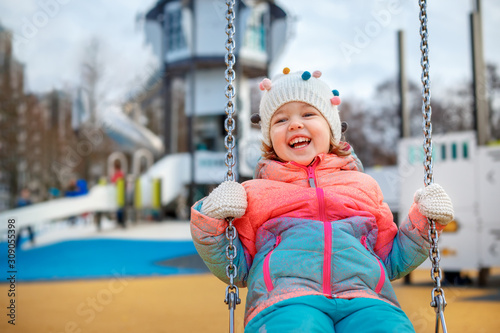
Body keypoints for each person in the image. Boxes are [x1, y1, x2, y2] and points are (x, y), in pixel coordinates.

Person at [190, 68, 454, 332]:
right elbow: (235, 267)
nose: (295, 124)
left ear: (331, 129)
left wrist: (423, 221)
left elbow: (390, 258)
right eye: (280, 120)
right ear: (270, 139)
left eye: (308, 114)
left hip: (367, 299)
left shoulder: (363, 186)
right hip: (286, 300)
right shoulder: (255, 192)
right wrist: (212, 217)